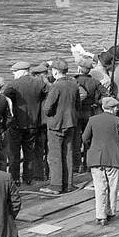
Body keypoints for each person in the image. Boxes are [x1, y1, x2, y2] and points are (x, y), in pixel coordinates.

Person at [83, 96, 119, 223]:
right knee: (112, 187)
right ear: (113, 109)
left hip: (96, 158)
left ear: (103, 108)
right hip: (114, 159)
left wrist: (93, 147)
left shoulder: (92, 120)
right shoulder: (118, 121)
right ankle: (111, 212)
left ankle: (100, 215)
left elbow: (85, 138)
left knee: (99, 187)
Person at [41, 59, 81, 194]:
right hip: (71, 122)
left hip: (56, 124)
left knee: (55, 155)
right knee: (68, 152)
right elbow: (78, 104)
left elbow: (47, 108)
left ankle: (56, 185)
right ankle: (68, 184)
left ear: (55, 72)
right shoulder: (74, 84)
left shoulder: (56, 86)